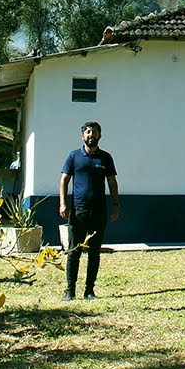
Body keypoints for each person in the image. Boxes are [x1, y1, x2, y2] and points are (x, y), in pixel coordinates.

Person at [59, 120, 120, 300]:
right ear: (82, 136)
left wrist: (116, 205)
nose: (91, 135)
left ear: (99, 135)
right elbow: (64, 180)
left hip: (99, 211)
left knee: (94, 252)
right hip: (78, 211)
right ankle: (70, 291)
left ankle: (89, 290)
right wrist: (62, 203)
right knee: (74, 252)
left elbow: (112, 183)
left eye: (94, 132)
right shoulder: (73, 157)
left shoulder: (106, 158)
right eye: (87, 132)